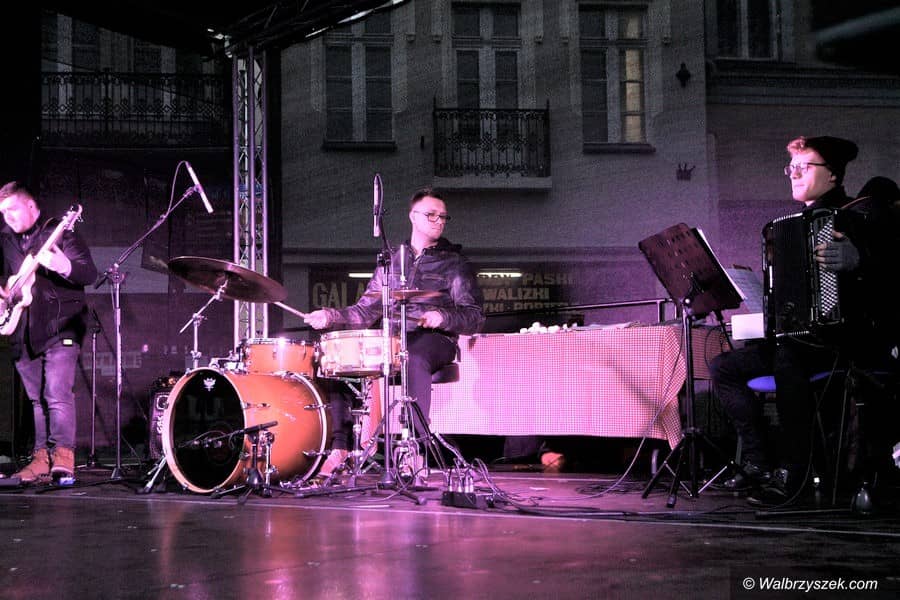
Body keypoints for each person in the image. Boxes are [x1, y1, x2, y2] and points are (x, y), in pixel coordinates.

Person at [709, 135, 894, 507]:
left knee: (788, 357)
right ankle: (759, 463)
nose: (793, 174)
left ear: (833, 174)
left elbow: (892, 273)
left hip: (845, 340)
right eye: (791, 167)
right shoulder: (789, 225)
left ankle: (794, 476)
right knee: (724, 366)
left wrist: (859, 259)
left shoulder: (862, 215)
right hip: (801, 341)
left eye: (803, 167)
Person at [304, 187, 485, 479]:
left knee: (412, 355)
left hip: (436, 341)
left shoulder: (455, 263)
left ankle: (414, 447)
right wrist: (330, 316)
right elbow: (365, 312)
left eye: (443, 217)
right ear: (413, 217)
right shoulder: (390, 261)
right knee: (334, 358)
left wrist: (442, 317)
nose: (439, 221)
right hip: (393, 340)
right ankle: (341, 447)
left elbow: (474, 317)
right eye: (431, 215)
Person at [0, 182, 98, 483]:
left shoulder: (60, 232)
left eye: (12, 209)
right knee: (36, 400)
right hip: (24, 329)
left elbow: (88, 273)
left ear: (31, 206)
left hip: (61, 324)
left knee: (56, 392)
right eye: (2, 212)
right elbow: (6, 279)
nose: (7, 217)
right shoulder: (6, 239)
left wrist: (63, 265)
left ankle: (64, 457)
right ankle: (41, 458)